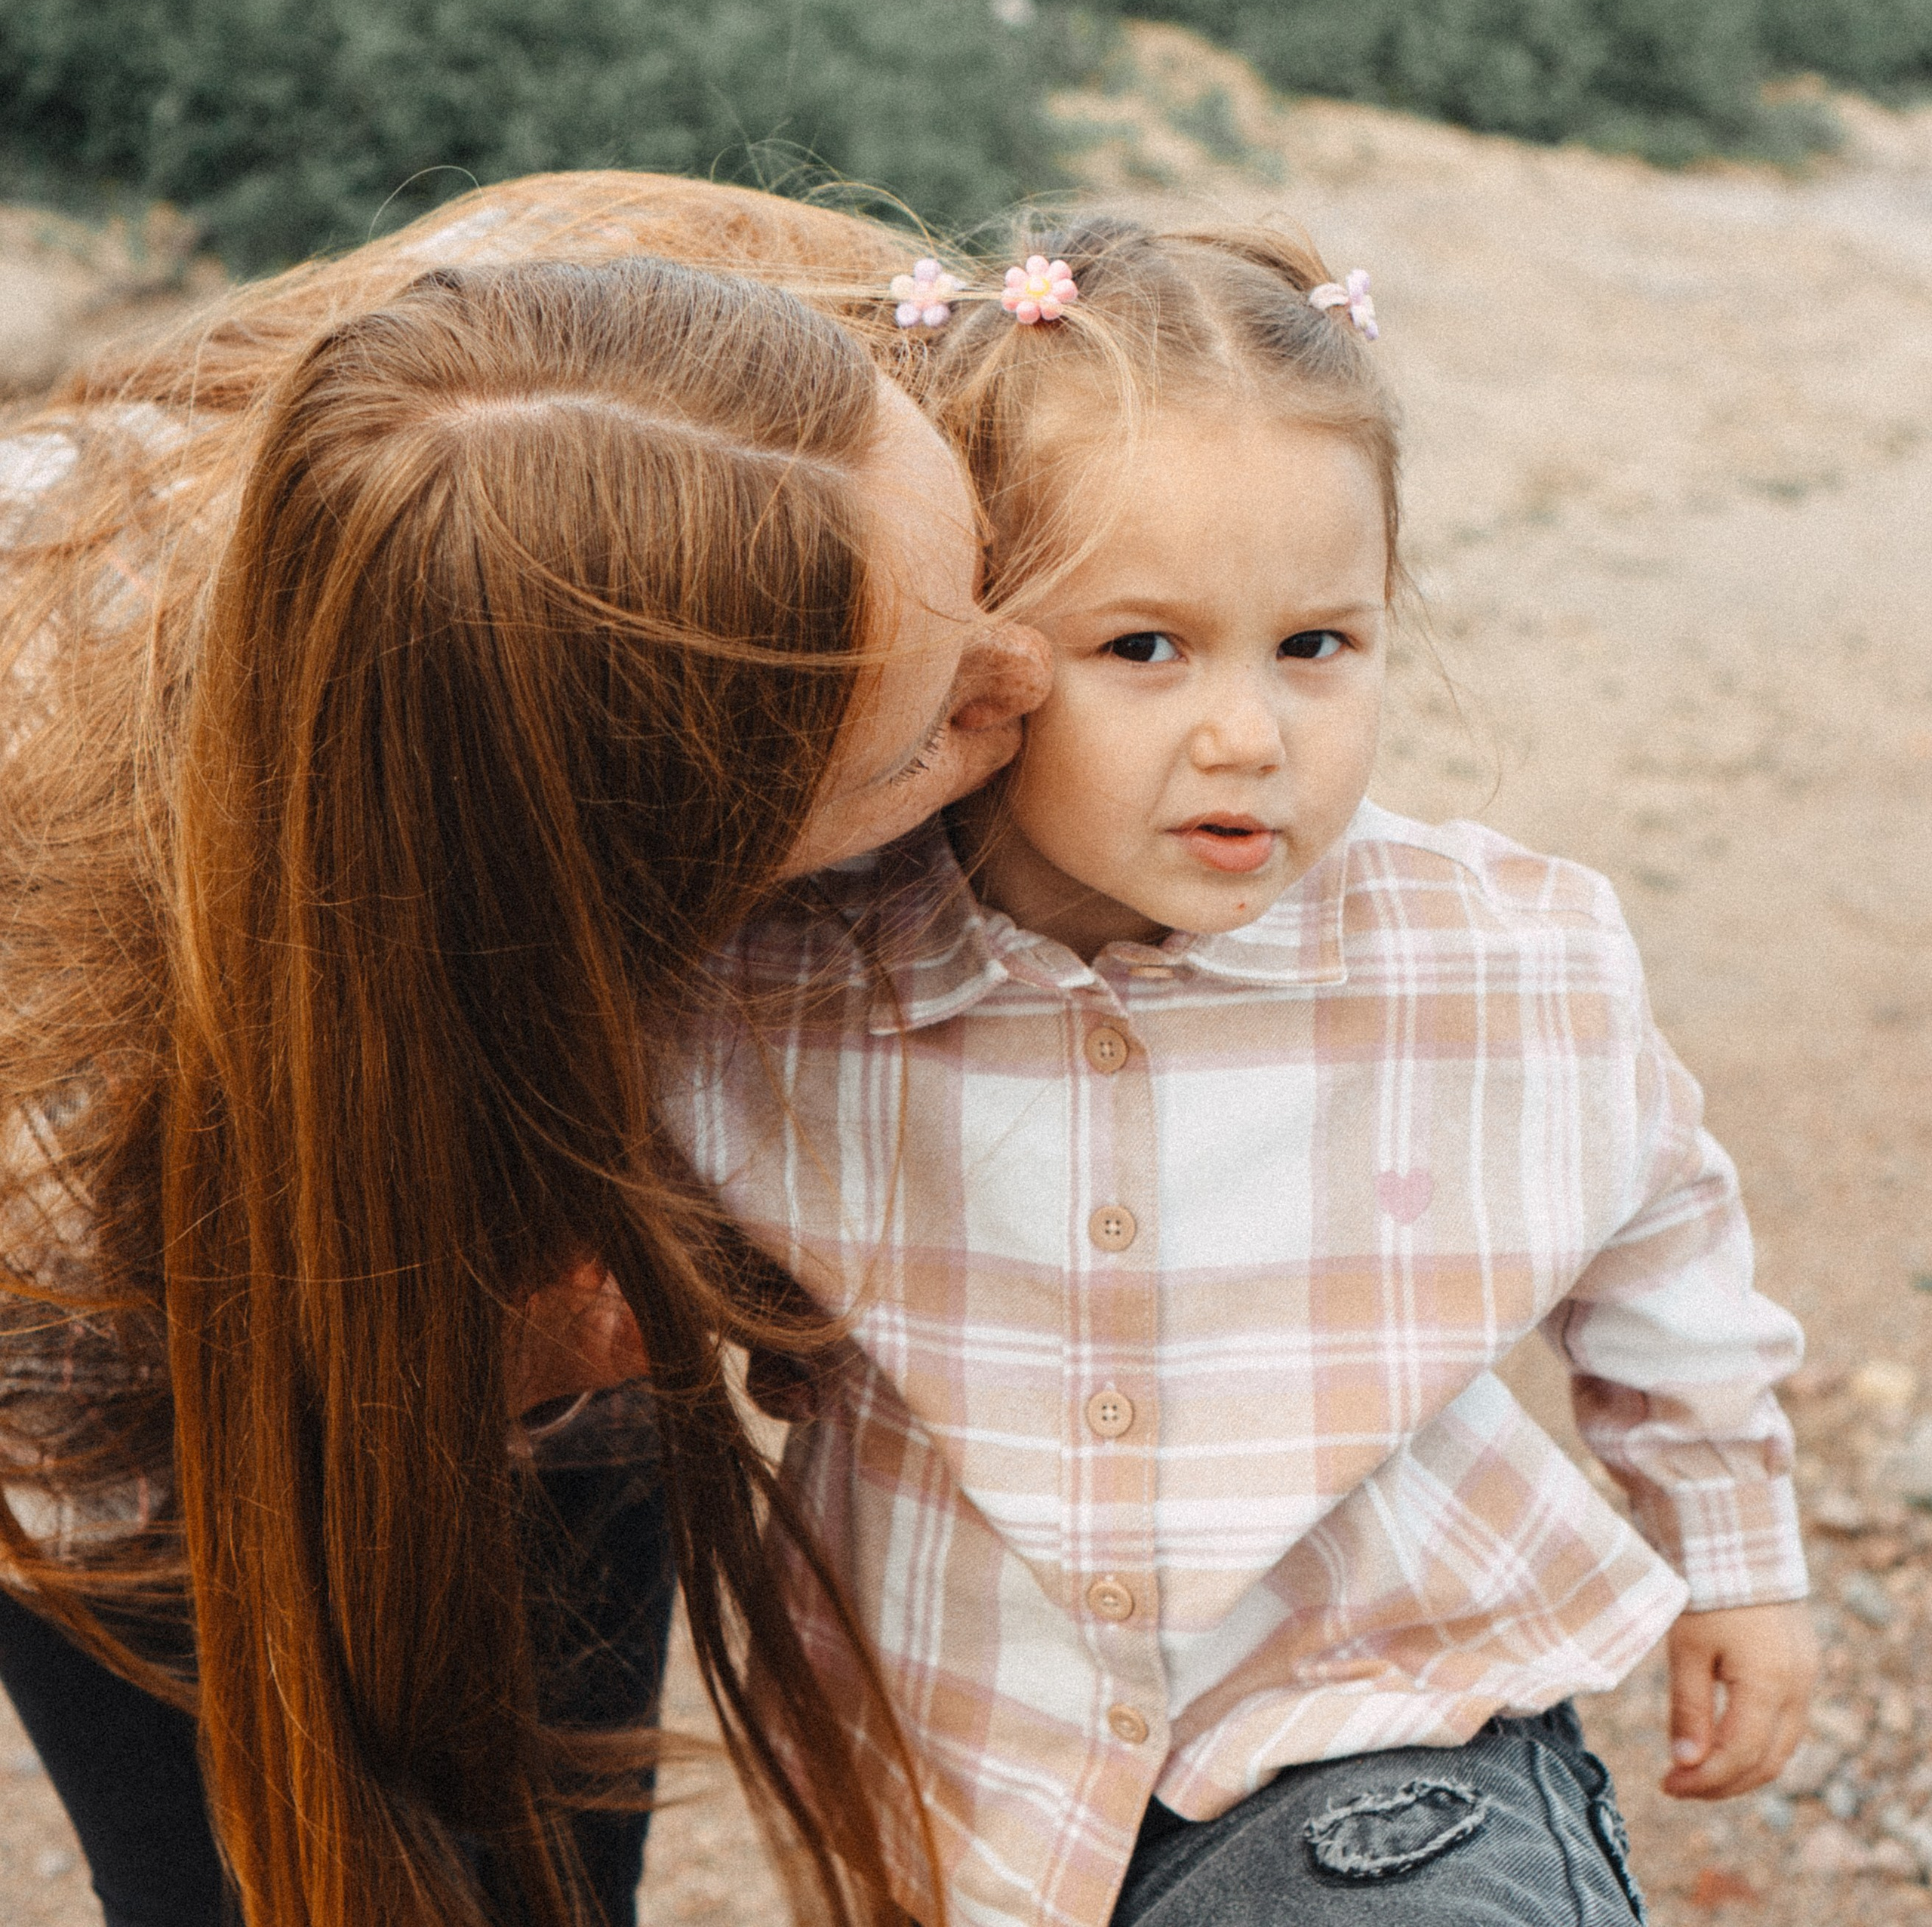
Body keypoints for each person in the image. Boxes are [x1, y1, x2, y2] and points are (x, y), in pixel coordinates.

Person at [670, 214, 1818, 1927]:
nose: (1246, 734)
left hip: (1391, 1724)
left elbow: (1658, 1231)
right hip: (958, 1777)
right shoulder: (785, 982)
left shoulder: (1498, 959)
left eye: (1314, 646)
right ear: (973, 659)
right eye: (1144, 648)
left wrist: (1729, 1548)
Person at [0, 171, 1048, 1927]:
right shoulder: (53, 1174)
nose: (1032, 679)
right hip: (132, 1268)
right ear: (646, 868)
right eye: (933, 728)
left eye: (992, 572)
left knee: (550, 1871)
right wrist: (569, 1292)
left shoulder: (772, 335)